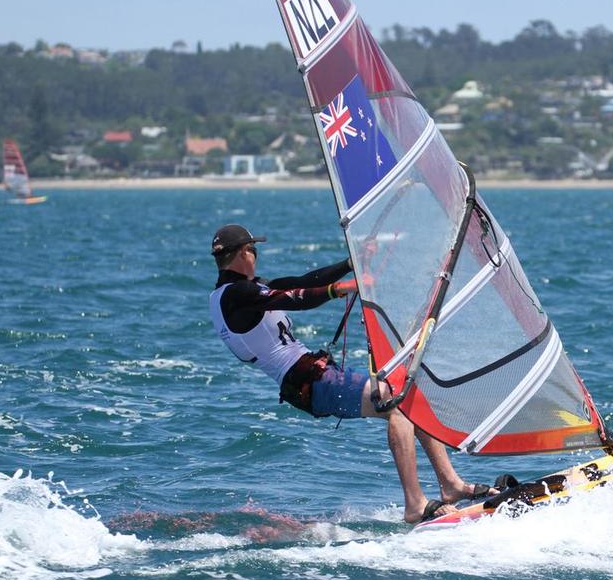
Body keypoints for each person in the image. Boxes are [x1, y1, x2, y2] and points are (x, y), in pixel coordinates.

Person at [208, 224, 494, 523]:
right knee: (397, 403)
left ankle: (451, 485)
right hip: (309, 381)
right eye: (254, 249)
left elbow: (303, 281)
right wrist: (340, 289)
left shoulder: (234, 294)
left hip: (310, 380)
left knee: (408, 394)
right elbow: (297, 296)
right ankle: (415, 504)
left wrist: (348, 265)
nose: (256, 255)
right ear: (245, 252)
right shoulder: (238, 295)